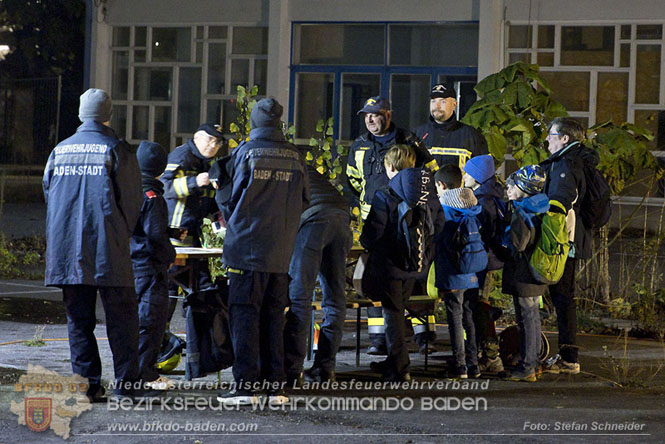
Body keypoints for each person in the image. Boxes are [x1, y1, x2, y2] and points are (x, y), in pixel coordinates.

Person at [43, 88, 149, 401]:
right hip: (109, 250)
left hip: (67, 252)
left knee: (78, 321)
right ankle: (127, 388)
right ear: (108, 115)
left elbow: (49, 195)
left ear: (80, 114)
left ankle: (87, 387)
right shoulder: (116, 149)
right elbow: (132, 201)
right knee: (123, 321)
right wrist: (121, 233)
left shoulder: (59, 150)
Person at [215, 98, 309, 406]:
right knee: (272, 317)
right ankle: (275, 386)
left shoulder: (245, 153)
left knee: (244, 316)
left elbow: (227, 198)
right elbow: (305, 200)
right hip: (281, 254)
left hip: (247, 250)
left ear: (255, 122)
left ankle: (245, 386)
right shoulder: (295, 156)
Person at [346, 96, 438, 355]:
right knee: (376, 277)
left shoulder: (408, 141)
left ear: (388, 114)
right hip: (374, 220)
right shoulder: (361, 145)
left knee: (414, 273)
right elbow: (353, 178)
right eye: (366, 116)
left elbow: (429, 170)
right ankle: (379, 338)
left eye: (375, 115)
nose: (370, 120)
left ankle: (424, 335)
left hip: (408, 221)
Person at [361, 145, 444, 382]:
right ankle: (395, 360)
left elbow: (372, 234)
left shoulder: (386, 194)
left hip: (390, 266)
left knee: (393, 314)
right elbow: (438, 226)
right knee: (400, 309)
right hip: (418, 265)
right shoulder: (429, 195)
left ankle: (399, 367)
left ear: (390, 166)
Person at [283, 166, 353, 384]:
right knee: (335, 298)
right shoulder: (305, 168)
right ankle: (326, 368)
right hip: (341, 218)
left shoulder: (277, 168)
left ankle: (292, 370)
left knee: (299, 297)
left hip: (314, 221)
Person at [160, 123, 225, 353]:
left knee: (200, 289)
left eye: (217, 142)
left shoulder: (210, 164)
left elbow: (207, 201)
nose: (213, 145)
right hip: (174, 235)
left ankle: (201, 346)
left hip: (194, 236)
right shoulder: (181, 156)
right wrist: (194, 182)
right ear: (197, 137)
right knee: (168, 291)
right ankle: (160, 342)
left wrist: (219, 216)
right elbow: (163, 186)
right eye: (209, 139)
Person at [540, 117, 592, 375]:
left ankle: (569, 358)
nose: (547, 139)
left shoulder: (566, 165)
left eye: (552, 135)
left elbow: (561, 203)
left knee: (563, 297)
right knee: (562, 296)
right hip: (568, 241)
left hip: (564, 243)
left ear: (565, 139)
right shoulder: (571, 161)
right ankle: (567, 354)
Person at [130, 141, 177, 390]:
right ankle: (145, 375)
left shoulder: (127, 190)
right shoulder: (153, 197)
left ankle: (131, 372)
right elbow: (156, 236)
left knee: (132, 321)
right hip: (149, 268)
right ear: (160, 168)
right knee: (151, 321)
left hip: (127, 265)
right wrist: (170, 255)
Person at [433, 164, 485, 379]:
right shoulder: (471, 205)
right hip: (472, 270)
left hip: (453, 270)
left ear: (442, 185)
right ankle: (473, 364)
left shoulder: (445, 209)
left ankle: (459, 365)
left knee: (454, 317)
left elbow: (438, 239)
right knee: (468, 316)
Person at [501, 165, 549, 382]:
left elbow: (518, 245)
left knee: (527, 318)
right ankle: (534, 362)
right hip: (537, 270)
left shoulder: (523, 211)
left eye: (513, 184)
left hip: (524, 272)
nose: (509, 188)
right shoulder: (541, 206)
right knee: (533, 318)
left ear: (524, 187)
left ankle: (527, 367)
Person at [462, 154, 507, 375]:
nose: (464, 176)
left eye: (468, 172)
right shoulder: (495, 194)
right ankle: (486, 353)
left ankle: (490, 356)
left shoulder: (482, 200)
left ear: (479, 176)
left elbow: (481, 233)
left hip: (483, 260)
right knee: (481, 304)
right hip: (492, 259)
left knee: (479, 306)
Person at [414, 83, 488, 169]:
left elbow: (483, 172)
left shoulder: (472, 135)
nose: (437, 106)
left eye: (443, 101)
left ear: (454, 104)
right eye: (433, 101)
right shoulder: (417, 135)